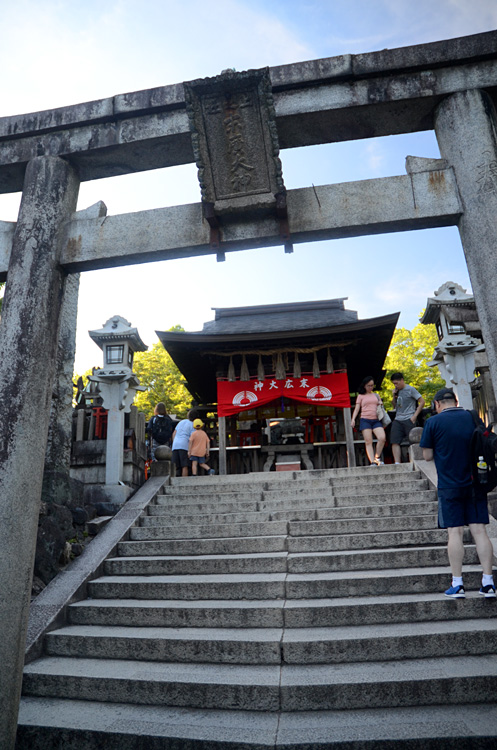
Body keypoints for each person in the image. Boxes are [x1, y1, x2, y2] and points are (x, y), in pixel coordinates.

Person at [420, 387, 496, 598]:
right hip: (475, 483)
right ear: (455, 400)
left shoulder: (433, 423)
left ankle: (457, 583)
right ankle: (488, 582)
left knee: (455, 533)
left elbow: (426, 456)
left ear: (436, 404)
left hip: (449, 485)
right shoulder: (471, 417)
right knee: (479, 531)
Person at [390, 372, 425, 464]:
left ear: (402, 380)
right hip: (398, 418)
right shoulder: (397, 391)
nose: (395, 385)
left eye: (396, 383)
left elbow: (422, 401)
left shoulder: (410, 389)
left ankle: (415, 460)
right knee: (394, 440)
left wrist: (415, 416)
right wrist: (394, 395)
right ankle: (397, 462)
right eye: (394, 383)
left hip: (409, 417)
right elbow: (394, 406)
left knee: (413, 440)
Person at [351, 376, 386, 466]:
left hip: (376, 419)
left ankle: (377, 457)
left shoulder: (376, 395)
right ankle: (372, 461)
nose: (370, 387)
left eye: (372, 385)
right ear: (364, 386)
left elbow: (380, 406)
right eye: (368, 385)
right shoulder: (360, 396)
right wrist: (353, 419)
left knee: (382, 438)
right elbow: (357, 408)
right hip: (365, 419)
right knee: (368, 441)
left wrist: (380, 403)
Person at [171, 409, 197, 477]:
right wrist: (190, 449)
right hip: (184, 445)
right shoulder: (193, 425)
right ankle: (184, 480)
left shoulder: (181, 422)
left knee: (175, 465)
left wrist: (174, 443)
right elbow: (192, 438)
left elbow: (174, 433)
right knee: (184, 465)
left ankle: (173, 479)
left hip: (175, 445)